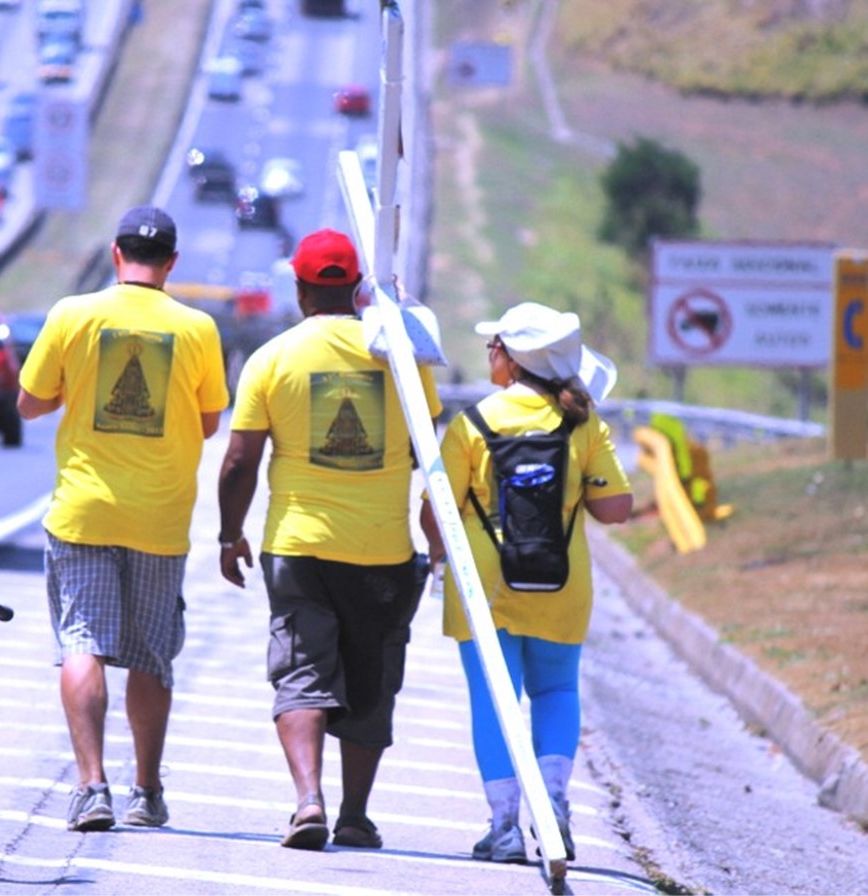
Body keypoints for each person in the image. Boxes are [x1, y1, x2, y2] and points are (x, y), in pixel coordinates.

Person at [217, 229, 443, 851]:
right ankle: (354, 815)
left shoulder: (273, 358)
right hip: (382, 553)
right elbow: (430, 443)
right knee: (371, 680)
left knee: (300, 674)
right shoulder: (401, 358)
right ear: (356, 288)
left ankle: (308, 800)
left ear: (299, 290)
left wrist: (228, 534)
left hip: (298, 548)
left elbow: (239, 462)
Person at [17, 205, 229, 832]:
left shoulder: (71, 314)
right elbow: (210, 419)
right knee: (150, 658)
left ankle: (91, 787)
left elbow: (29, 404)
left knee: (82, 640)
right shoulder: (197, 328)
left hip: (83, 511)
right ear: (172, 263)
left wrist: (75, 387)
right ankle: (147, 788)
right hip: (160, 520)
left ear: (115, 254)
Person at [419, 301, 632, 864]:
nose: (489, 352)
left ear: (512, 359)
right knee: (557, 692)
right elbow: (615, 508)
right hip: (562, 581)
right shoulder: (585, 424)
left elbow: (435, 509)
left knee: (495, 701)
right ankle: (555, 806)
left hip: (483, 580)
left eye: (495, 345)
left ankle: (505, 826)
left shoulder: (474, 423)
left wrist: (436, 559)